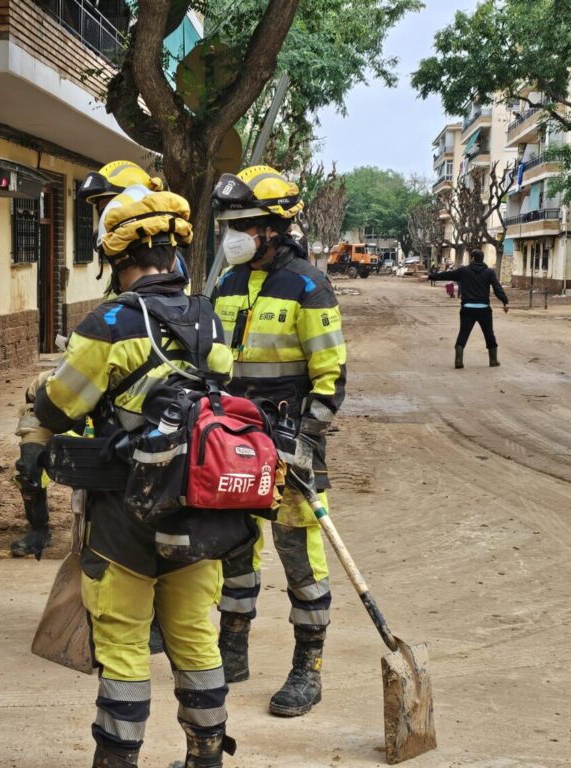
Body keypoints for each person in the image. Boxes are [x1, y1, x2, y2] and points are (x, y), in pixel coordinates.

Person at [35, 186, 240, 768]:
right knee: (196, 639)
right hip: (200, 513)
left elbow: (60, 407)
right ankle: (205, 758)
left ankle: (117, 761)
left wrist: (42, 395)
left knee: (124, 648)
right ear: (173, 250)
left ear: (114, 255)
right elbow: (220, 399)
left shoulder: (111, 322)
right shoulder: (209, 318)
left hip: (124, 515)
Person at [210, 165, 347, 717]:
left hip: (291, 441)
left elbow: (331, 374)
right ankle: (233, 649)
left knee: (299, 552)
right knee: (233, 545)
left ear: (274, 228)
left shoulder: (309, 285)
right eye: (229, 225)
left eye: (243, 224)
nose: (233, 235)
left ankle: (306, 669)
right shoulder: (227, 283)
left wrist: (305, 437)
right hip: (232, 440)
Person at [9, 160, 167, 559]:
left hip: (136, 423)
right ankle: (39, 528)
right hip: (91, 395)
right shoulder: (117, 286)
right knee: (32, 448)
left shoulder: (159, 282)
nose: (100, 216)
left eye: (106, 204)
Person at [431, 249, 509, 368]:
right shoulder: (489, 272)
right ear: (482, 259)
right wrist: (505, 301)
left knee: (463, 333)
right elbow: (497, 288)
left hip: (467, 308)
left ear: (472, 258)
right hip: (484, 309)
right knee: (489, 333)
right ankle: (493, 360)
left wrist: (431, 276)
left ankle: (458, 361)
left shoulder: (464, 271)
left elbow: (447, 275)